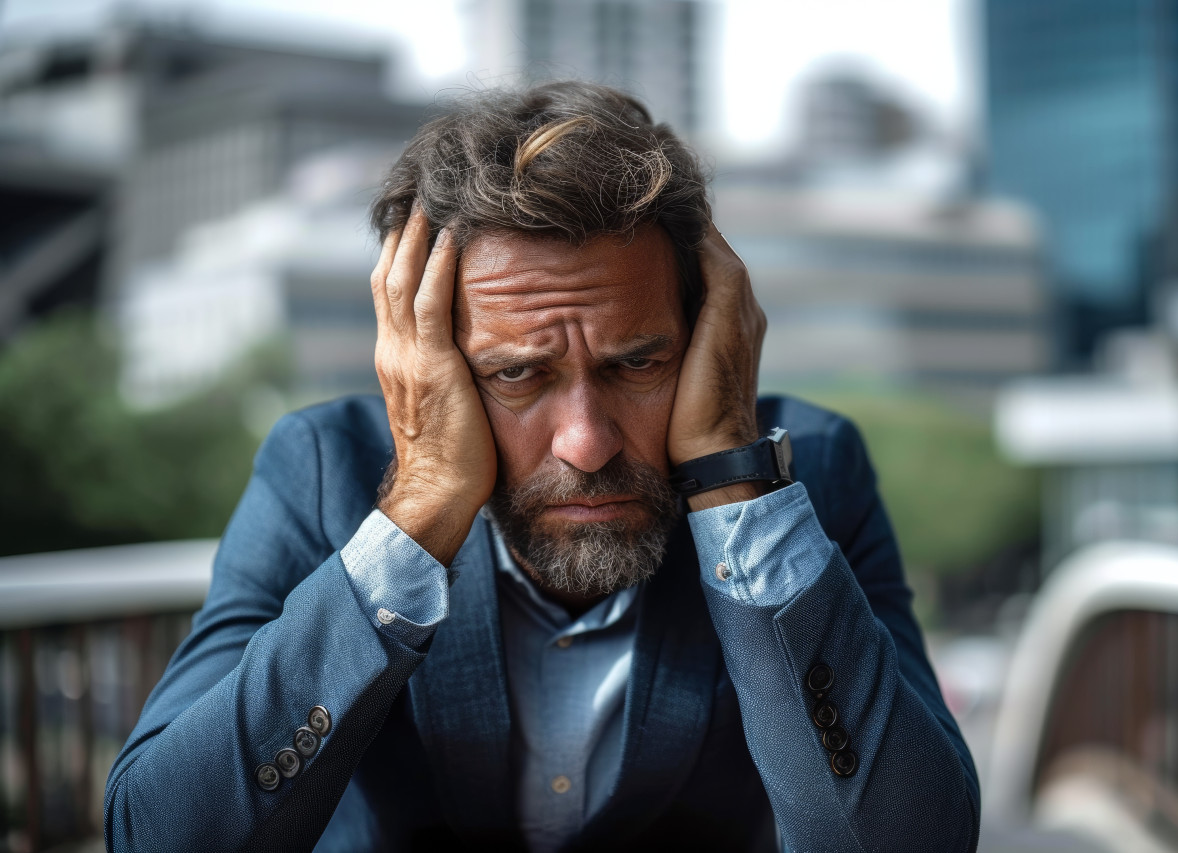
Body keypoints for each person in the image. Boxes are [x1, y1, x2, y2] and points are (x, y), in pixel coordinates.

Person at [104, 81, 979, 853]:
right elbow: (159, 834)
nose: (586, 442)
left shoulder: (808, 476)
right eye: (517, 374)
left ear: (713, 334)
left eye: (638, 364)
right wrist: (421, 511)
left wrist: (734, 485)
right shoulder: (321, 470)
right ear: (426, 360)